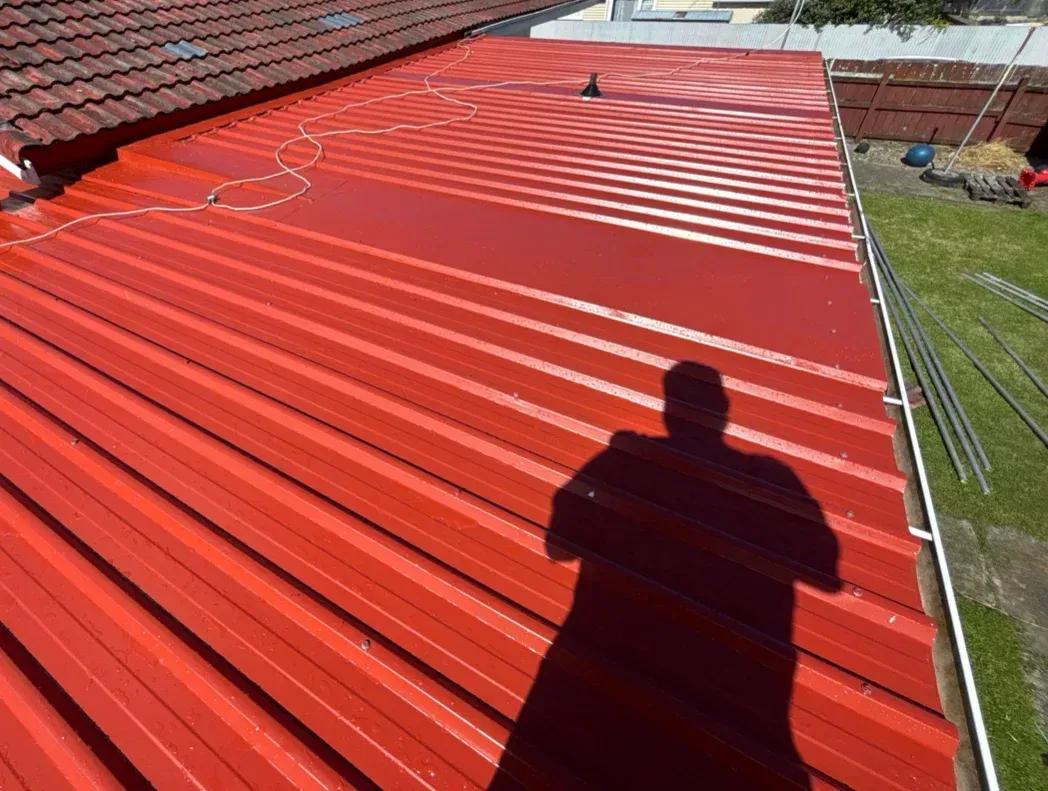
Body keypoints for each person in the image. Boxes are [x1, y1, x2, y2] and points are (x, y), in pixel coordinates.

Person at [489, 361, 840, 790]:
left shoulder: (627, 459)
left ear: (667, 410)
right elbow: (826, 574)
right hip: (740, 697)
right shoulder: (773, 477)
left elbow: (556, 545)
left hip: (607, 677)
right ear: (725, 408)